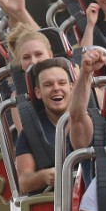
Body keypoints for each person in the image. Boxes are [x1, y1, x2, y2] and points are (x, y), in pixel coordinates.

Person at [14, 58, 73, 194]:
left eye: (62, 83)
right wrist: (44, 176)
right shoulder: (30, 132)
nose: (56, 88)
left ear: (71, 87)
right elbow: (24, 182)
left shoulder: (91, 118)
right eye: (48, 85)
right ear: (38, 92)